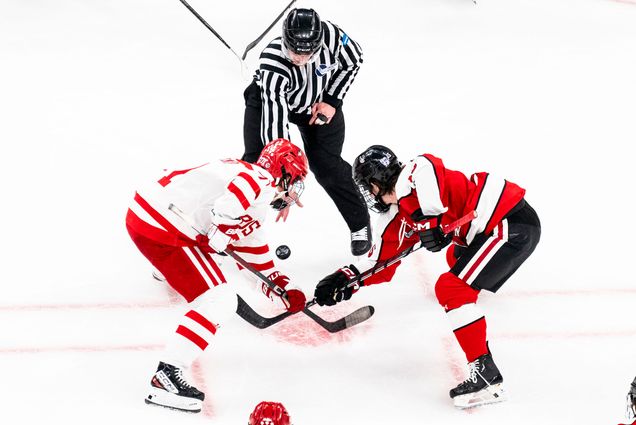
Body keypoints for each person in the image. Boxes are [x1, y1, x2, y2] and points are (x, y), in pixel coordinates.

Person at [313, 145, 541, 409]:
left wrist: (427, 218)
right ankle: (468, 306)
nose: (367, 193)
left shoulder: (414, 173)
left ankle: (487, 378)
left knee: (450, 288)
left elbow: (427, 166)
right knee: (454, 259)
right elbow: (379, 264)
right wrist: (345, 280)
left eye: (366, 186)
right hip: (486, 231)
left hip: (511, 224)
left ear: (375, 183)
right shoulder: (396, 215)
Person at [125, 138, 309, 413]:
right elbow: (235, 197)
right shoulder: (258, 178)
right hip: (163, 229)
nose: (293, 193)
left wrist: (282, 288)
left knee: (207, 251)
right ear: (283, 172)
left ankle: (165, 271)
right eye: (295, 182)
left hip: (147, 217)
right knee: (220, 300)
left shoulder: (251, 197)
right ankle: (166, 377)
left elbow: (257, 262)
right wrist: (222, 227)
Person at [242, 7, 371, 256]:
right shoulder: (272, 62)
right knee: (255, 164)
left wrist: (332, 100)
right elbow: (275, 123)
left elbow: (354, 60)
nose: (299, 59)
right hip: (269, 99)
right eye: (293, 51)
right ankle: (234, 224)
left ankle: (360, 225)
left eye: (307, 53)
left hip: (316, 102)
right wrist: (284, 178)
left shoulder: (333, 37)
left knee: (326, 165)